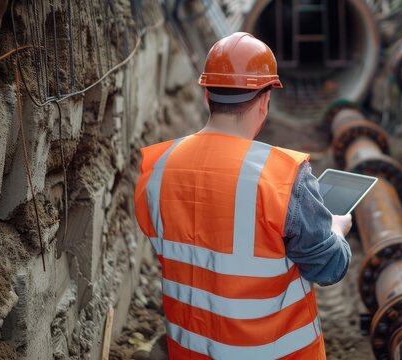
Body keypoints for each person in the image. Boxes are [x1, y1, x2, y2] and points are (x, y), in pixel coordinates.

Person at [134, 32, 352, 359]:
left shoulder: (157, 169)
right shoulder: (284, 175)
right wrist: (336, 230)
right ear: (265, 100)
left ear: (207, 95)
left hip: (192, 351)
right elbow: (328, 266)